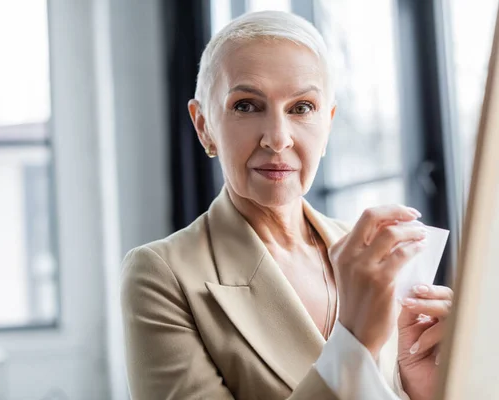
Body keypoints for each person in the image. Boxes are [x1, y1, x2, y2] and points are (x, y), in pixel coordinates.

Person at [121, 10, 453, 400]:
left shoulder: (374, 255)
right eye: (246, 105)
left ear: (327, 124)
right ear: (204, 126)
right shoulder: (161, 276)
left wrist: (422, 388)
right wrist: (353, 342)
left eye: (301, 108)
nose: (277, 139)